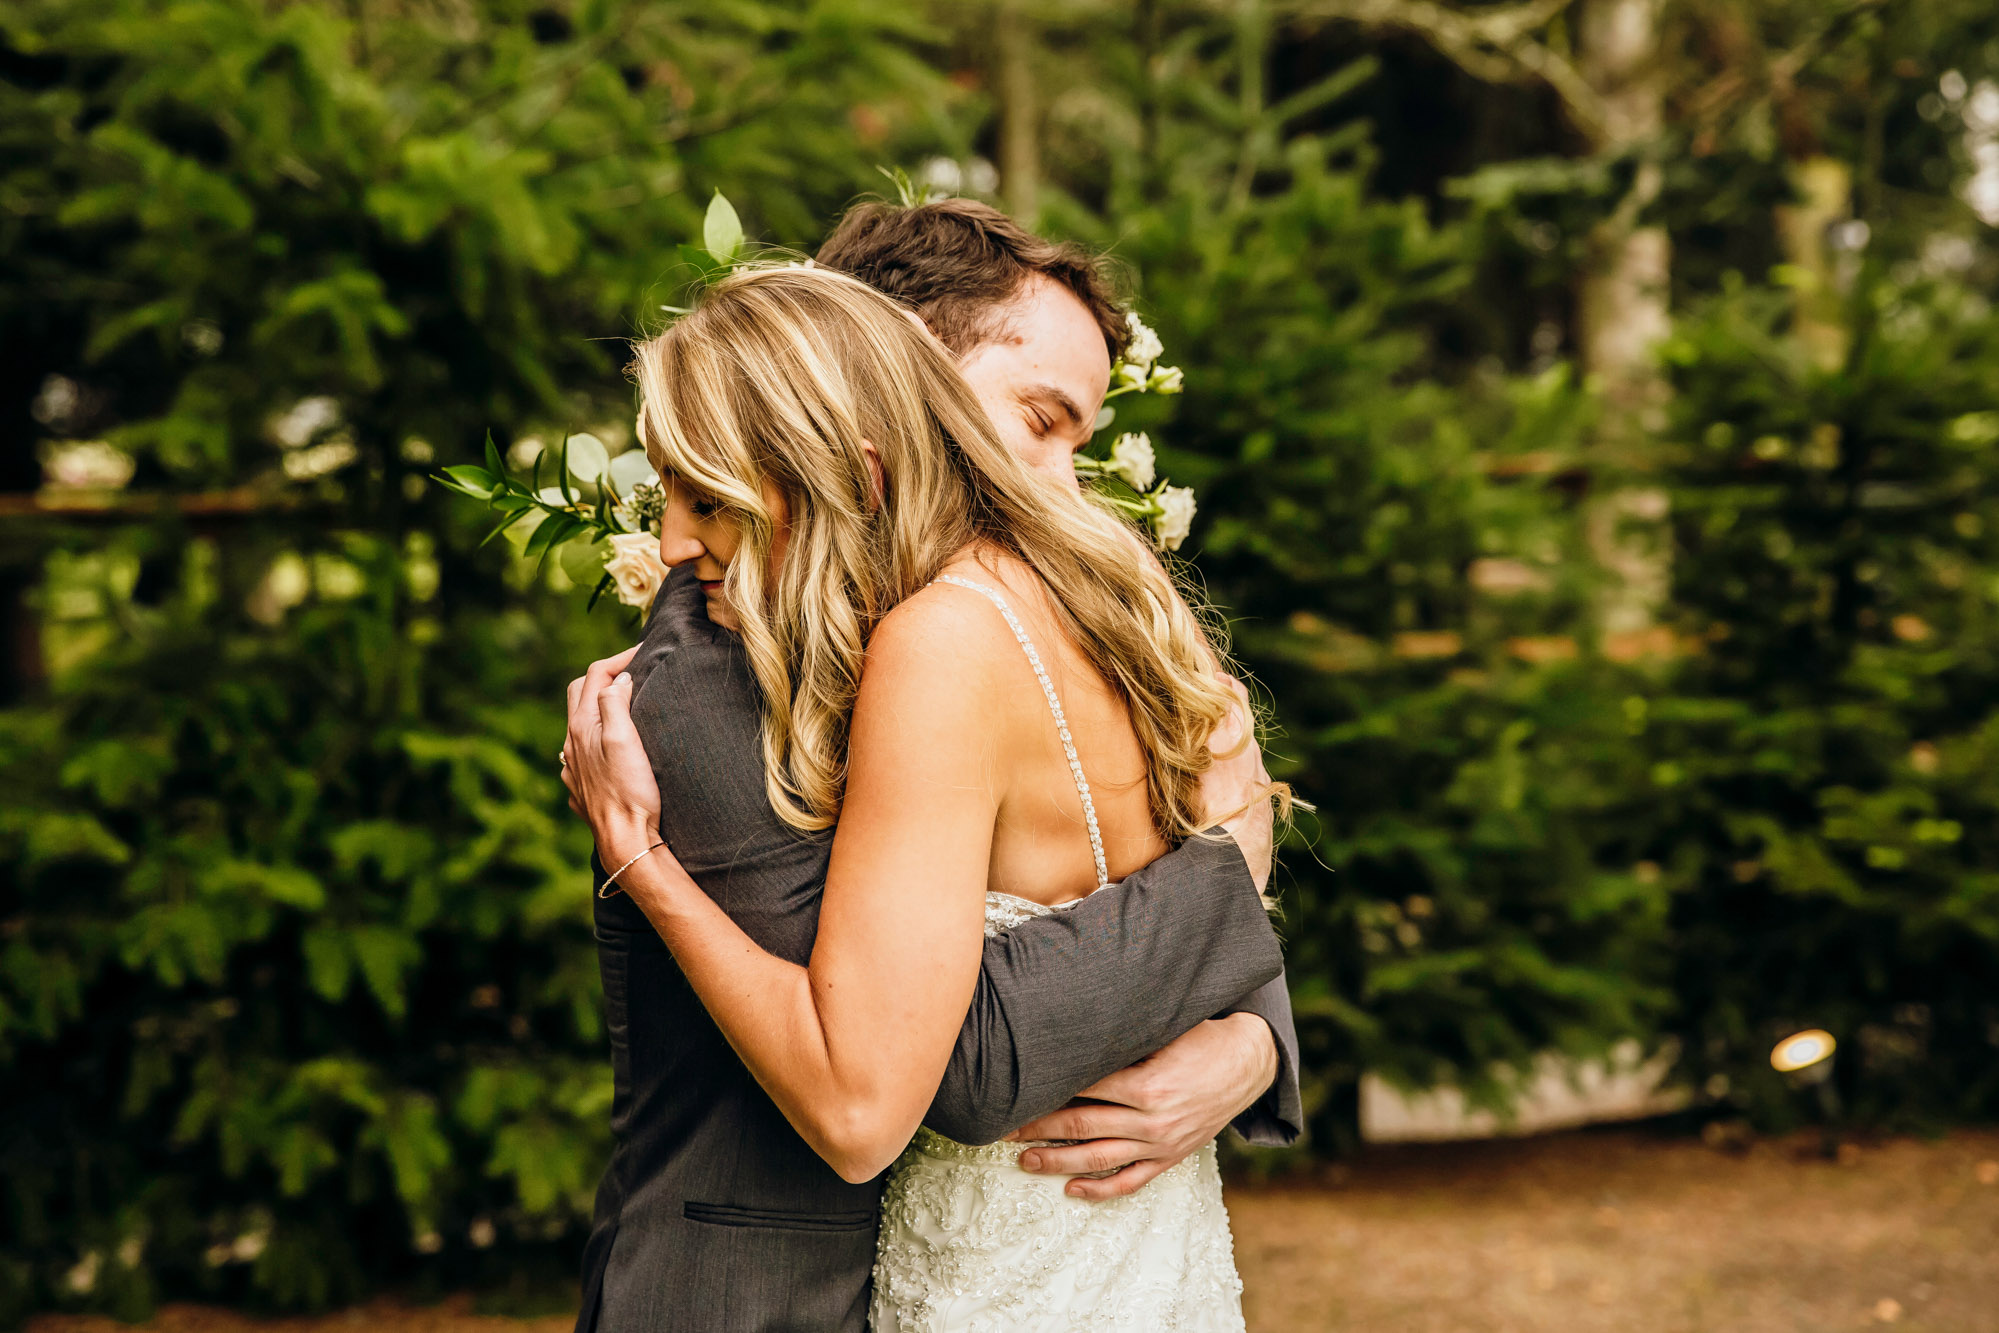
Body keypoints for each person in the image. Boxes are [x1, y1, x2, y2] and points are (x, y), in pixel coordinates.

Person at [570, 201, 1299, 1333]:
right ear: (889, 379)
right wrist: (1225, 882)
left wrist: (1248, 1039)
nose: (1066, 480)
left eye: (1081, 438)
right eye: (1040, 420)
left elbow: (931, 1035)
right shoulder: (711, 666)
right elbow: (942, 1053)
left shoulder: (975, 625)